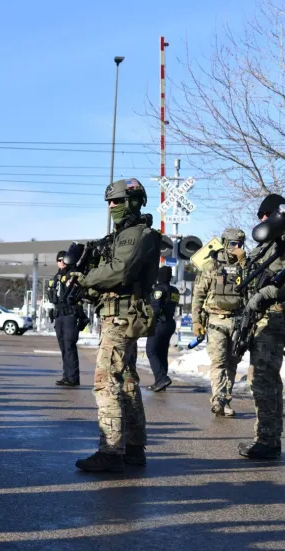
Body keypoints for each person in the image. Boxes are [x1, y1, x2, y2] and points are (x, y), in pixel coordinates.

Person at [70, 178, 159, 473]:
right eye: (109, 202)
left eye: (117, 201)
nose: (112, 207)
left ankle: (111, 451)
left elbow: (121, 271)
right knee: (127, 382)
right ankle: (133, 448)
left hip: (120, 318)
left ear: (133, 201)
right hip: (118, 315)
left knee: (106, 383)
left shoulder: (136, 234)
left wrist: (86, 279)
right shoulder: (123, 235)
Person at [238, 193, 285, 460]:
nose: (262, 221)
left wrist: (266, 294)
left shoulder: (284, 239)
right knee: (267, 379)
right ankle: (269, 438)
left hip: (275, 316)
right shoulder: (269, 244)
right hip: (264, 316)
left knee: (262, 379)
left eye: (266, 215)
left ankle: (267, 441)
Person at [191, 228, 247, 418]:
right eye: (233, 244)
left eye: (240, 244)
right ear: (224, 243)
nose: (237, 247)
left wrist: (244, 263)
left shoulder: (245, 266)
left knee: (232, 363)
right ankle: (217, 398)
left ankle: (226, 399)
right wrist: (197, 321)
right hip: (216, 320)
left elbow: (253, 289)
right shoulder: (211, 266)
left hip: (238, 321)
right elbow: (198, 295)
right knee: (218, 361)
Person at [48, 251, 83, 387]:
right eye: (59, 260)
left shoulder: (73, 274)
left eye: (64, 260)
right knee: (63, 347)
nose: (61, 262)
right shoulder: (56, 277)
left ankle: (73, 378)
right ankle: (66, 376)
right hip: (59, 315)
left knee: (69, 346)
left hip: (70, 315)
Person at [146, 266, 179, 392]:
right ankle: (161, 382)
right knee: (161, 352)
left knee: (151, 351)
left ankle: (161, 378)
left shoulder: (159, 289)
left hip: (159, 323)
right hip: (170, 323)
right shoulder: (175, 290)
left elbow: (155, 308)